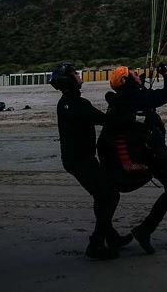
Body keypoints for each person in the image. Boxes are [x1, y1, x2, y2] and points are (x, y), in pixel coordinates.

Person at [104, 64, 167, 254]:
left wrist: (141, 86)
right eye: (134, 75)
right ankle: (146, 229)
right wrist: (165, 73)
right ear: (125, 81)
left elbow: (142, 108)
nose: (138, 76)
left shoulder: (123, 98)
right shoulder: (137, 97)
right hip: (154, 150)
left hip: (143, 150)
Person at [50, 61, 133, 260]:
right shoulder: (78, 104)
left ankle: (111, 237)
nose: (79, 75)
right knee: (111, 195)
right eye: (75, 73)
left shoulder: (65, 103)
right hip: (81, 161)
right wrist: (129, 120)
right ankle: (96, 244)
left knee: (101, 195)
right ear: (70, 79)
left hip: (76, 160)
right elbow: (103, 119)